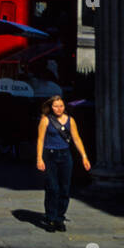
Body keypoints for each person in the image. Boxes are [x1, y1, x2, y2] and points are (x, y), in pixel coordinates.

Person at [35, 95, 91, 232]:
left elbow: (76, 139)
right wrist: (39, 158)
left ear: (64, 106)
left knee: (65, 188)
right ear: (51, 107)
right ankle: (50, 218)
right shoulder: (45, 120)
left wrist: (84, 156)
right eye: (55, 106)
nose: (58, 109)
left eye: (61, 106)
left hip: (65, 156)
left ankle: (60, 217)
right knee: (52, 188)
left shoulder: (70, 121)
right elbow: (40, 140)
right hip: (50, 155)